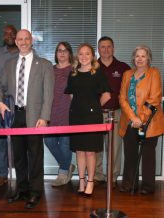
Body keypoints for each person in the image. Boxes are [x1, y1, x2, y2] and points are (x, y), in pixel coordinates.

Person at [0, 29, 54, 209]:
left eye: (26, 39)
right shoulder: (9, 64)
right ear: (16, 41)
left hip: (35, 116)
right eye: (19, 39)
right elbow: (0, 86)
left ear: (31, 41)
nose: (23, 42)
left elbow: (48, 94)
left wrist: (44, 117)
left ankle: (36, 192)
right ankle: (22, 189)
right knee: (19, 156)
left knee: (35, 155)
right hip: (15, 115)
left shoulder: (44, 64)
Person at [64, 43, 111, 197]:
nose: (84, 57)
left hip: (92, 117)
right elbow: (71, 95)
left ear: (92, 56)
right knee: (79, 151)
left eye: (87, 54)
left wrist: (94, 107)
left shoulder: (97, 73)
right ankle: (82, 181)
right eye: (81, 54)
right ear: (78, 56)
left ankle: (91, 181)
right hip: (76, 116)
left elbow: (107, 95)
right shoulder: (74, 73)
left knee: (90, 152)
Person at [119, 45, 164, 194]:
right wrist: (133, 118)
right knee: (130, 154)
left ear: (148, 58)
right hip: (129, 121)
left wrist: (141, 118)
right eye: (137, 56)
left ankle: (148, 187)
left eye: (143, 56)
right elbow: (122, 98)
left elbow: (154, 98)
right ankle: (128, 184)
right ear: (133, 58)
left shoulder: (154, 73)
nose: (139, 59)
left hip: (149, 122)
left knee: (148, 155)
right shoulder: (127, 74)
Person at [95, 36, 131, 187]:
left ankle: (113, 177)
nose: (105, 49)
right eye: (102, 47)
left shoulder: (123, 68)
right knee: (96, 146)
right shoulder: (92, 66)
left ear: (113, 48)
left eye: (109, 46)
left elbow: (130, 91)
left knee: (114, 147)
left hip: (115, 113)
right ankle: (97, 176)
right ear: (98, 49)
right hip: (95, 113)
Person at [44, 42, 75, 187]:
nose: (62, 53)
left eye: (65, 51)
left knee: (64, 144)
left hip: (67, 111)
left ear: (69, 53)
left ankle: (63, 173)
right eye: (59, 51)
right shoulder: (50, 69)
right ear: (56, 54)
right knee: (49, 141)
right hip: (51, 111)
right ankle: (67, 165)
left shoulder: (74, 70)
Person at [0, 25, 19, 187]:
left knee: (21, 139)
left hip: (20, 102)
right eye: (5, 33)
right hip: (3, 101)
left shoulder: (25, 53)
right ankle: (2, 174)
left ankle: (23, 174)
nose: (8, 35)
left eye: (11, 33)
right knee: (1, 139)